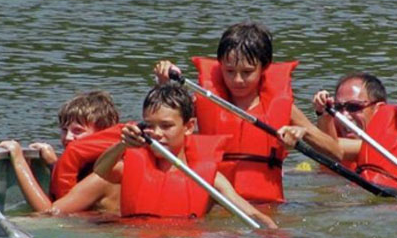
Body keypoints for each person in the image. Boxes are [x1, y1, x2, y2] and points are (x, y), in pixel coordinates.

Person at [154, 21, 342, 203]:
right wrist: (164, 84)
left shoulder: (284, 108)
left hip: (266, 206)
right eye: (229, 71)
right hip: (215, 204)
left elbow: (336, 153)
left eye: (247, 72)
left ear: (264, 68)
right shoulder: (202, 102)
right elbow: (162, 125)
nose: (237, 80)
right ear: (220, 65)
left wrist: (302, 132)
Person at [93, 83, 277, 228]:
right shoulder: (130, 165)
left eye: (166, 126)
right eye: (149, 125)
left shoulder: (209, 180)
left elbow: (251, 214)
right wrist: (122, 145)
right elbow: (100, 169)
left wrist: (272, 234)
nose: (156, 133)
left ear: (189, 127)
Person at [0, 90, 124, 214]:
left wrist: (18, 160)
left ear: (102, 134)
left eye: (77, 131)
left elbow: (49, 213)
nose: (68, 137)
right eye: (64, 130)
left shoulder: (109, 172)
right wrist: (54, 164)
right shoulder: (93, 166)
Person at [312, 72, 387, 170]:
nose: (344, 116)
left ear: (379, 110)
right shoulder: (331, 130)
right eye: (338, 107)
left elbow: (330, 148)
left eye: (353, 107)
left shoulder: (386, 145)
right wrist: (324, 112)